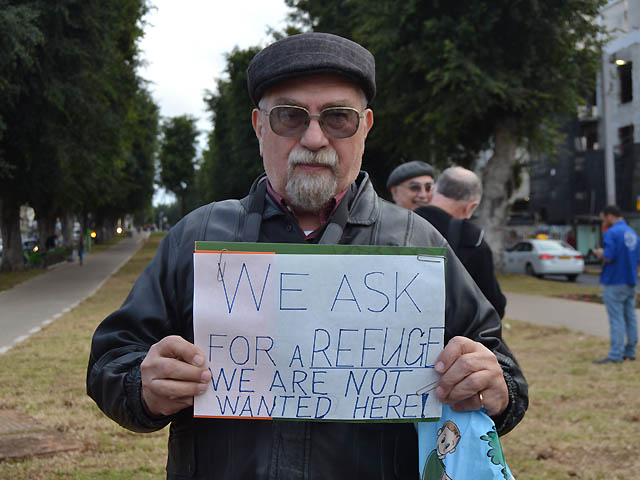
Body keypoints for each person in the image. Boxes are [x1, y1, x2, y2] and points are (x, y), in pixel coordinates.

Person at [86, 32, 527, 479]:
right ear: (259, 127)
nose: (314, 138)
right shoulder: (197, 238)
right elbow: (112, 358)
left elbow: (501, 369)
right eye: (289, 117)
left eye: (338, 118)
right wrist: (140, 385)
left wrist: (493, 385)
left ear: (366, 127)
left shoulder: (418, 244)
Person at [414, 167, 506, 318]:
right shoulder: (472, 240)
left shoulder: (399, 225)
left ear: (432, 191)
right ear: (472, 206)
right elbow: (494, 307)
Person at [593, 205, 639, 364]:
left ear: (609, 216)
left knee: (616, 319)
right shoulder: (632, 232)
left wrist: (600, 253)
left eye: (603, 219)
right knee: (630, 317)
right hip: (630, 280)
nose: (603, 222)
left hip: (614, 280)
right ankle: (630, 351)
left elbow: (609, 256)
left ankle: (615, 355)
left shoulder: (611, 233)